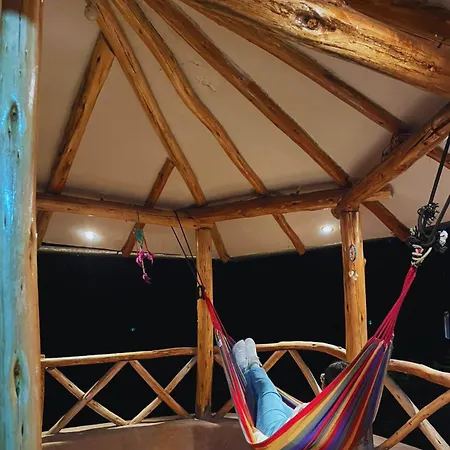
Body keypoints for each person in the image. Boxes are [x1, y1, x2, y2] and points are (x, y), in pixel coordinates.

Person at [233, 338, 373, 449]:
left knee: (267, 391)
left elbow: (280, 445)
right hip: (295, 425)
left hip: (276, 434)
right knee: (274, 396)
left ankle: (250, 367)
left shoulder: (320, 415)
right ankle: (251, 368)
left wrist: (257, 435)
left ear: (329, 387)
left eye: (323, 378)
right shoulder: (352, 412)